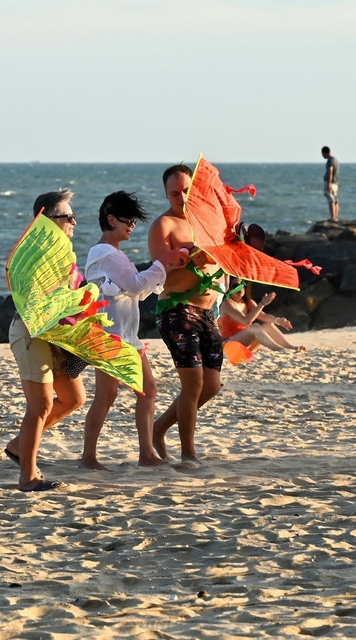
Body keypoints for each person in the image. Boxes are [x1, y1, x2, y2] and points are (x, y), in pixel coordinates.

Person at [81, 191, 188, 470]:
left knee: (147, 389)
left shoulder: (111, 254)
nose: (132, 225)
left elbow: (135, 290)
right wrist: (163, 262)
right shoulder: (104, 253)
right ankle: (89, 458)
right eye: (128, 220)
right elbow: (137, 285)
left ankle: (146, 454)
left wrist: (164, 267)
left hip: (126, 336)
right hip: (110, 337)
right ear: (111, 219)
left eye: (134, 221)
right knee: (107, 395)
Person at [4, 188, 87, 491]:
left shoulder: (61, 253)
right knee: (40, 406)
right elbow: (31, 296)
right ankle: (28, 477)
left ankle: (18, 446)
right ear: (47, 219)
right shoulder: (34, 252)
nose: (74, 222)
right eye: (69, 216)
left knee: (74, 398)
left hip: (56, 333)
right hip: (31, 331)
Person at [148, 164, 224, 464]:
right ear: (166, 194)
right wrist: (192, 257)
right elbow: (160, 269)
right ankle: (188, 455)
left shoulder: (208, 223)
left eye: (186, 190)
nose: (181, 197)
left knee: (212, 385)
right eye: (174, 192)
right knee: (192, 385)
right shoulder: (163, 225)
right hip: (177, 311)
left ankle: (159, 427)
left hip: (208, 312)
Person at [218, 282, 306, 354]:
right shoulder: (227, 304)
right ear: (229, 289)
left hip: (246, 344)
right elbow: (245, 321)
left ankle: (290, 347)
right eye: (235, 286)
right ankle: (279, 349)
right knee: (255, 327)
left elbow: (262, 316)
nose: (239, 289)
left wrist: (278, 320)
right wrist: (262, 303)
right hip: (229, 345)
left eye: (242, 285)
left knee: (268, 325)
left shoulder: (248, 302)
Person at [321, 146, 339, 221]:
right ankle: (335, 217)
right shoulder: (336, 160)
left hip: (330, 182)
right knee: (335, 200)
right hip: (335, 182)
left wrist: (329, 183)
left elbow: (330, 171)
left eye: (322, 154)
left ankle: (333, 217)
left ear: (325, 153)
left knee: (331, 200)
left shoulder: (330, 161)